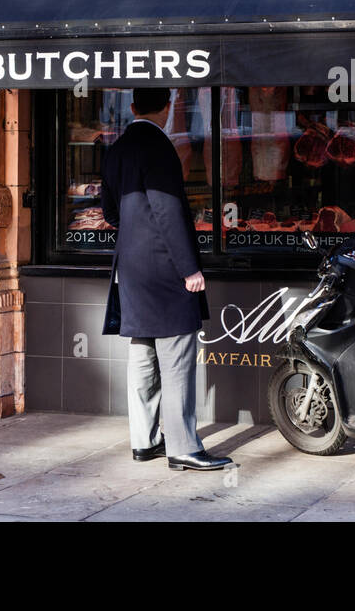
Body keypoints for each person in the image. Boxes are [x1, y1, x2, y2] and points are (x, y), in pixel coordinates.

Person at [101, 87, 234, 472]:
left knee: (142, 355)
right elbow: (169, 212)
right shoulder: (159, 148)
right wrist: (189, 268)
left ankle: (144, 442)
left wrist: (136, 234)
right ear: (167, 108)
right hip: (164, 271)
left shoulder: (117, 148)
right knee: (176, 359)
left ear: (131, 107)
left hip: (129, 268)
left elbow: (110, 212)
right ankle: (183, 448)